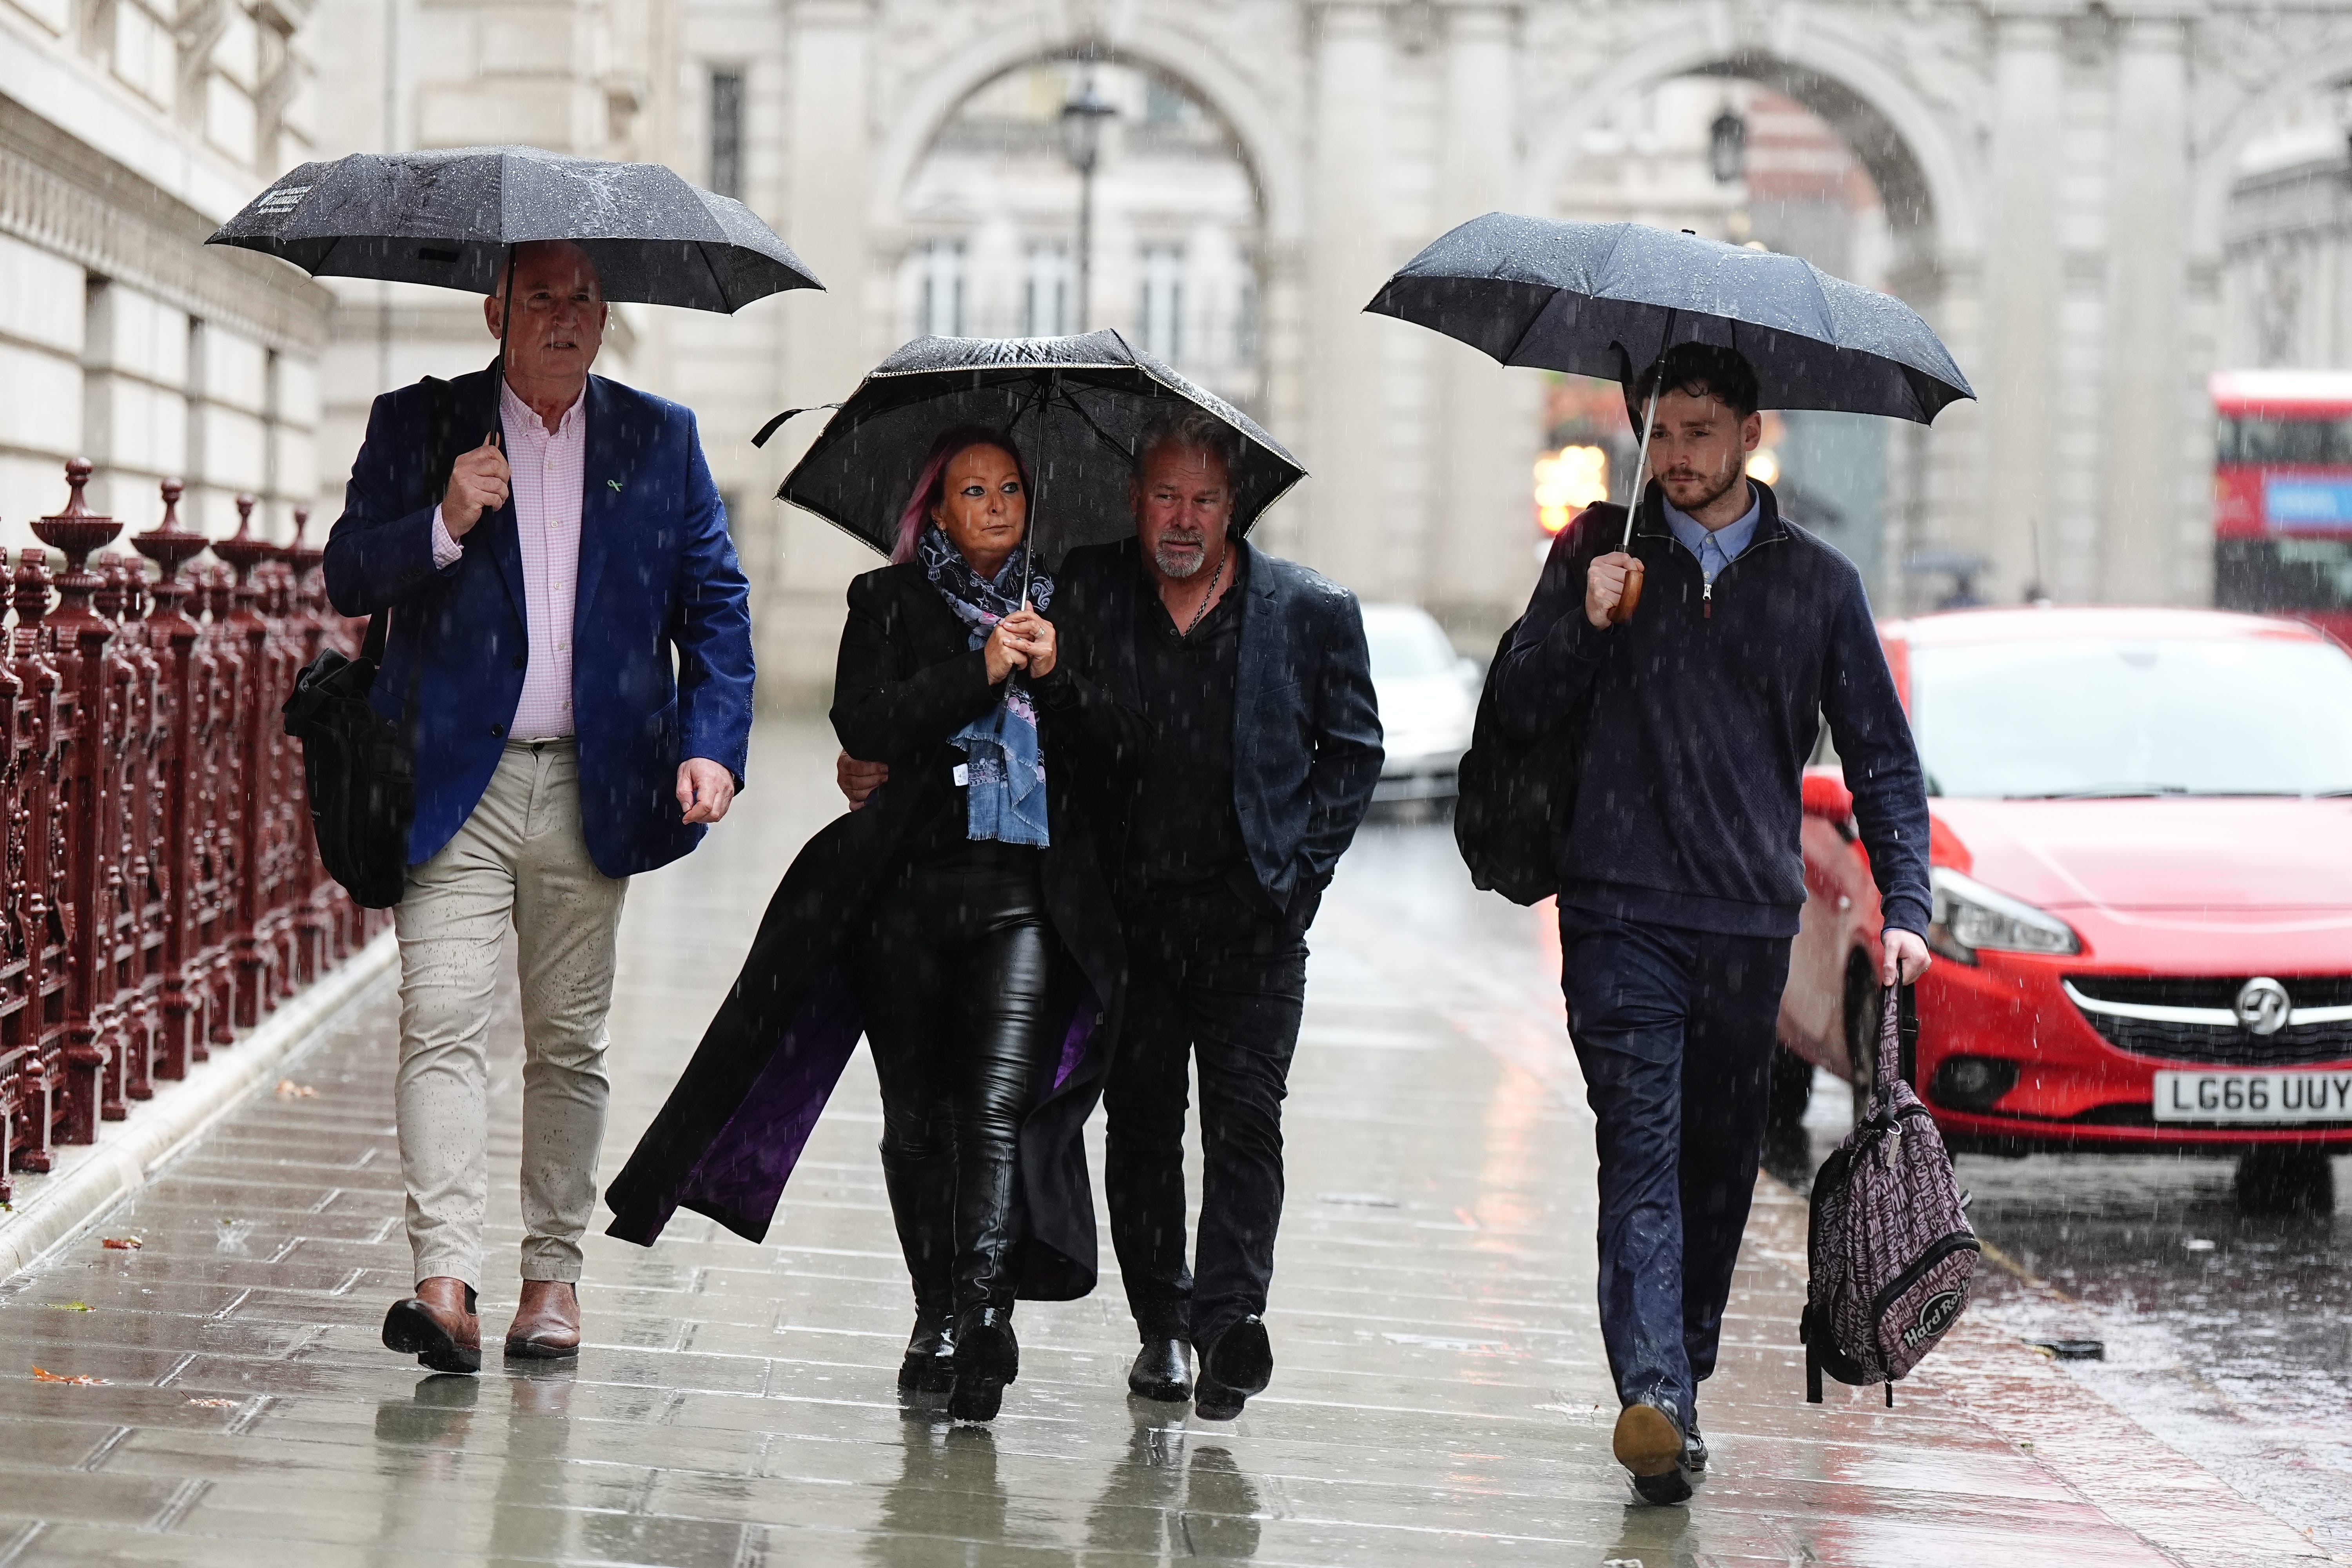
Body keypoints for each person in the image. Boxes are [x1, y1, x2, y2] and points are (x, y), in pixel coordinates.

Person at [840, 407, 1384, 1422]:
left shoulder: (1308, 610)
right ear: (1136, 502)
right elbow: (1012, 697)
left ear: (1236, 508)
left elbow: (1352, 752)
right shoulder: (1084, 590)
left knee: (1247, 1121)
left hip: (1253, 924)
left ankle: (1229, 1322)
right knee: (1140, 1130)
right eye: (1166, 497)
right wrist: (887, 760)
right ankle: (1165, 1327)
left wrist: (1298, 876)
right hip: (1121, 920)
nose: (1183, 519)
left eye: (1205, 500)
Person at [604, 427, 1129, 1426]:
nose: (998, 505)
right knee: (916, 1122)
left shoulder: (1071, 608)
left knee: (995, 1108)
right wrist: (977, 670)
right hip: (903, 897)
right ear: (936, 510)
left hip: (1023, 898)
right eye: (973, 490)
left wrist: (1054, 675)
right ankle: (934, 1310)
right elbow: (867, 726)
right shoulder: (884, 603)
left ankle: (982, 1312)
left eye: (1012, 487)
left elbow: (1115, 747)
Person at [1491, 342, 1931, 1504]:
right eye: (1659, 430)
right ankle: (1655, 1394)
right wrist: (1580, 623)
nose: (1673, 455)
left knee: (1719, 1172)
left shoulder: (1820, 585)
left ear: (1749, 434)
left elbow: (1883, 760)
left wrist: (1907, 908)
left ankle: (1677, 1382)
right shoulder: (1597, 549)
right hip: (1617, 907)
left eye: (1697, 432)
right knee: (1639, 1151)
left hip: (1747, 926)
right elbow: (1517, 708)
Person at [323, 239, 754, 1374]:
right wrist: (445, 522)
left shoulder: (661, 439)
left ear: (605, 317)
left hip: (593, 782)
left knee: (568, 1043)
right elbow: (350, 574)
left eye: (585, 299)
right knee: (443, 1026)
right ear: (494, 312)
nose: (567, 318)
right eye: (543, 298)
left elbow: (716, 605)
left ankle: (552, 1279)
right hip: (453, 785)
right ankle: (444, 1286)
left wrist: (712, 746)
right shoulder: (420, 426)